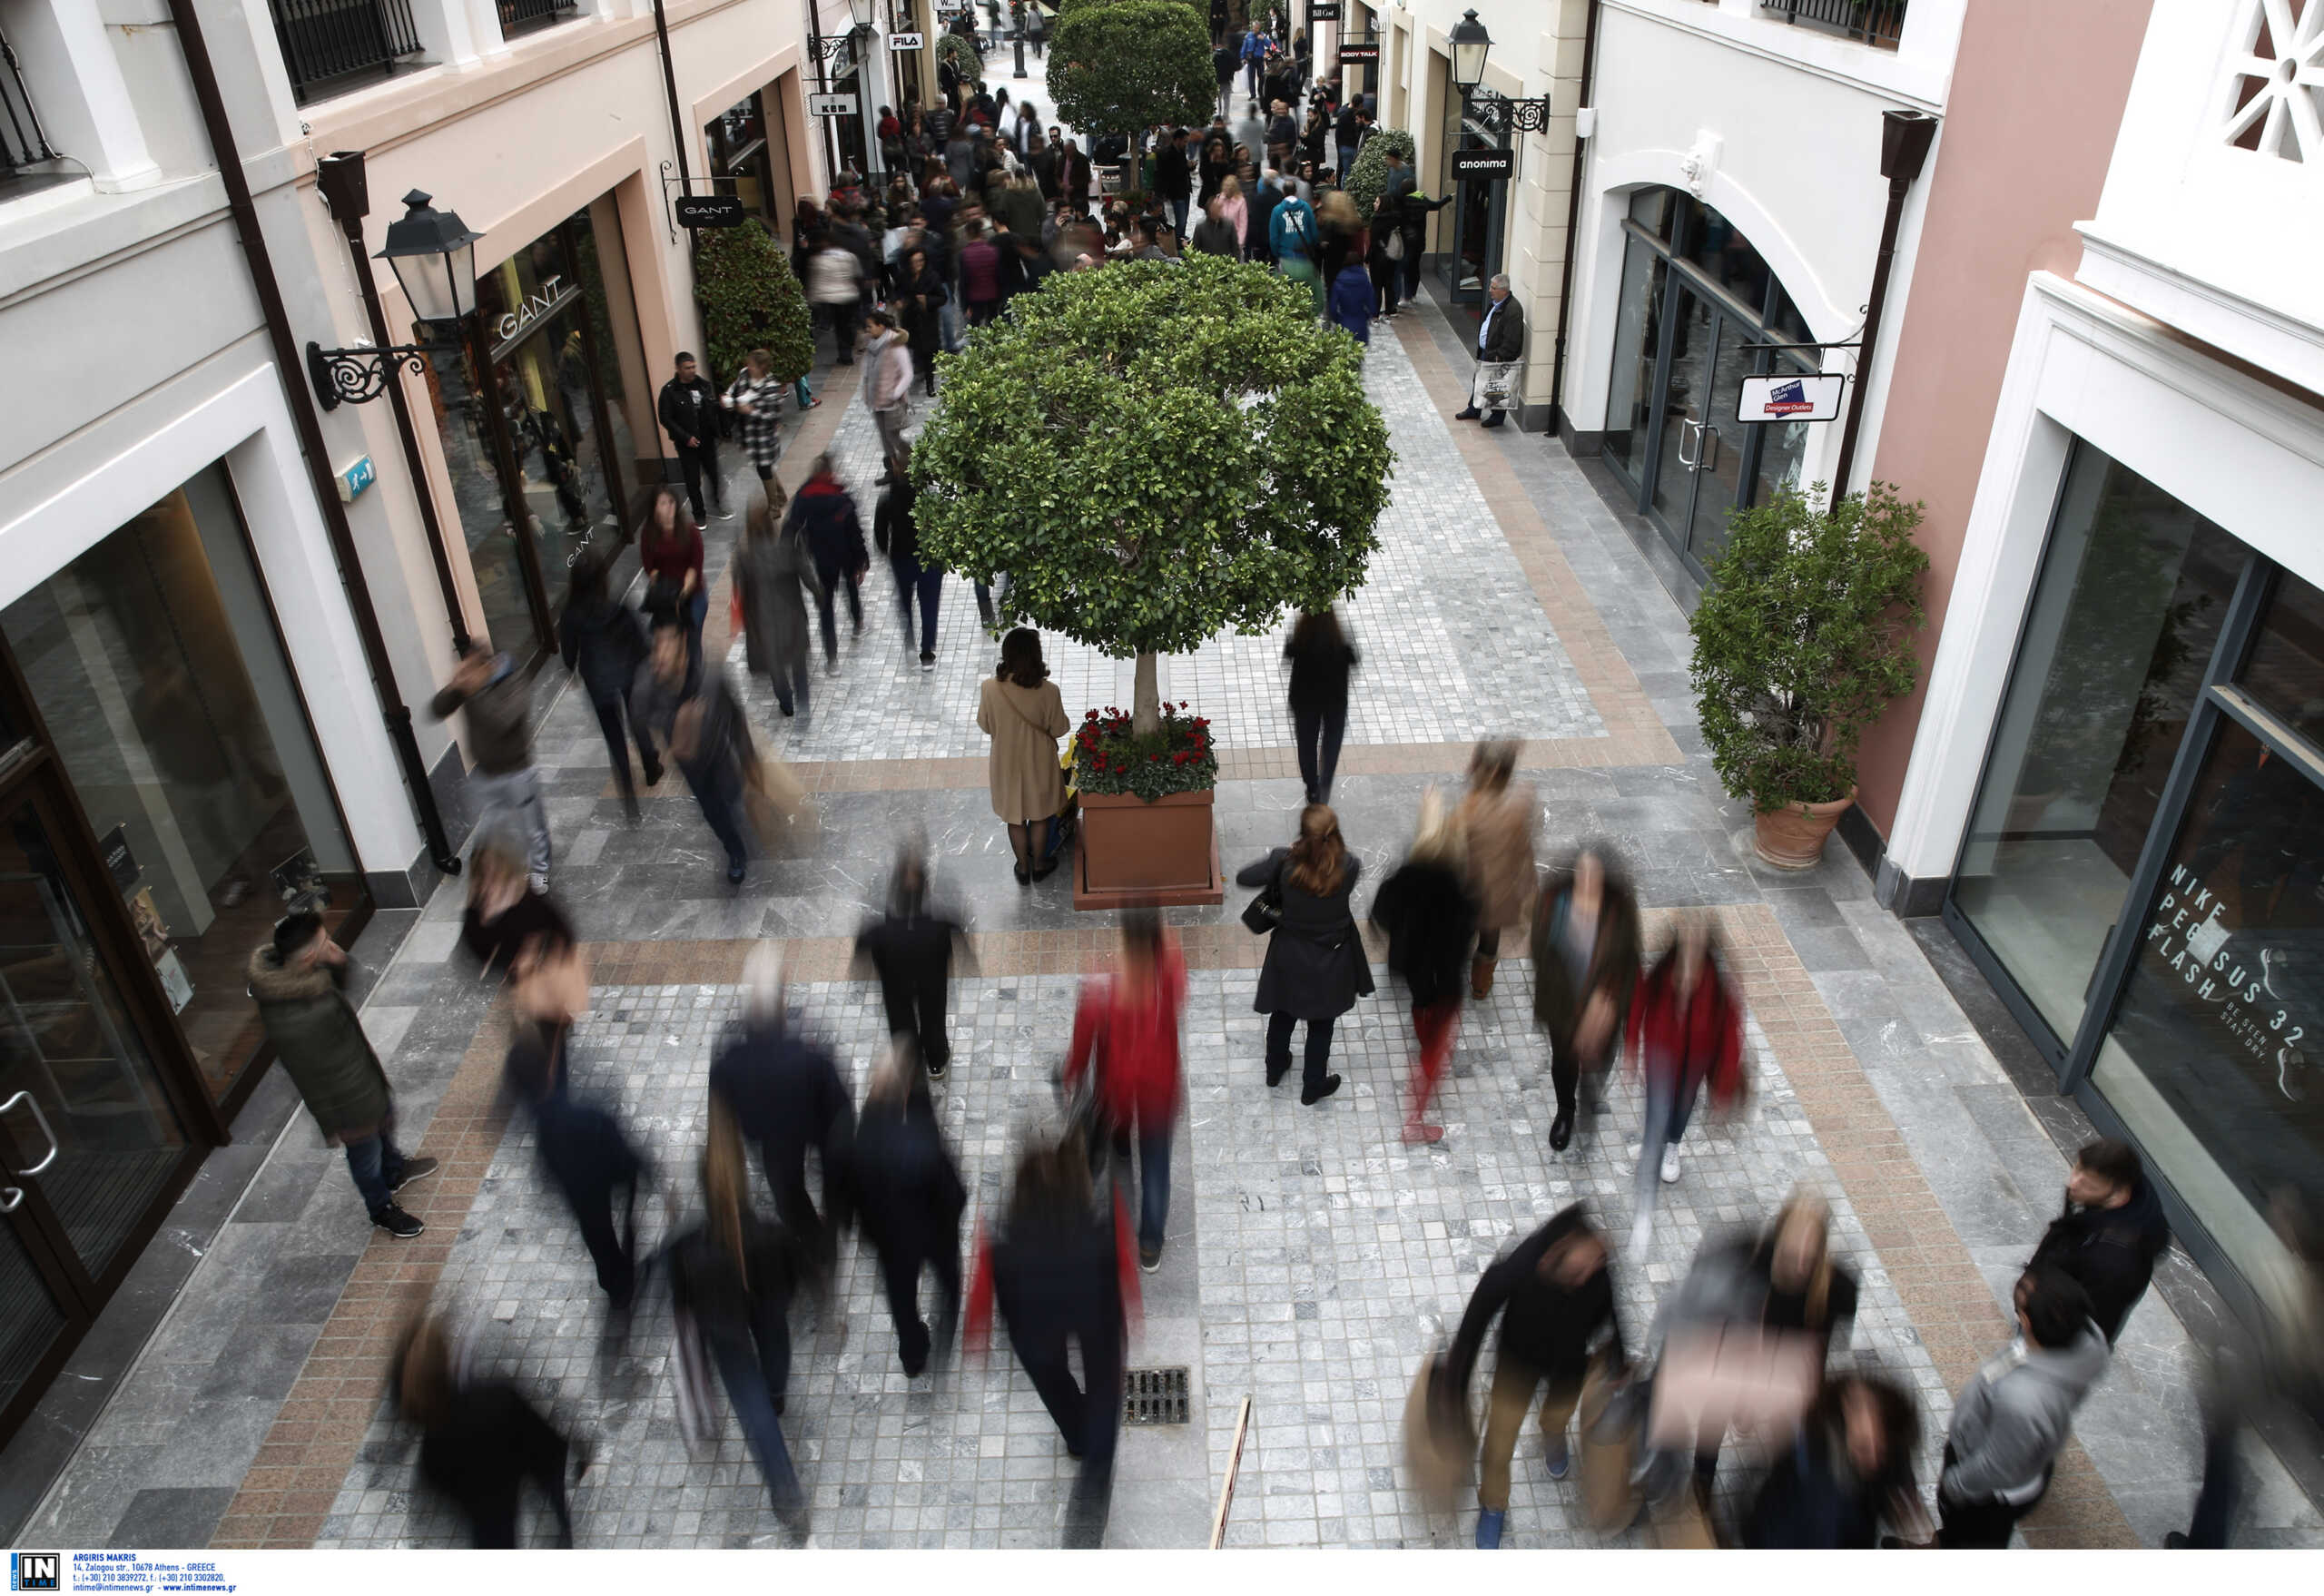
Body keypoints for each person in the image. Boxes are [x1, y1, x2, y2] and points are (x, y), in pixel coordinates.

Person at [965, 1135, 1134, 1542]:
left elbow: (981, 1302)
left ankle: (1076, 1435)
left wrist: (979, 1340)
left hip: (1033, 1325)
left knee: (1052, 1379)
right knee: (1104, 1390)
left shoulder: (1003, 1249)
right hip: (1094, 1314)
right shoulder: (1100, 1235)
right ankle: (1094, 1472)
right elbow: (1125, 1279)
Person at [1438, 1206, 1625, 1549]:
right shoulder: (1521, 1268)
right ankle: (1493, 1505)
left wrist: (1618, 1358)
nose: (1591, 1273)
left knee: (1558, 1415)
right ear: (1554, 1258)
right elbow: (1474, 1324)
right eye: (1583, 1269)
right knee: (1498, 1444)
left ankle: (1552, 1434)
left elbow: (1611, 1308)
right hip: (1517, 1363)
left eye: (1596, 1266)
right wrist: (1455, 1384)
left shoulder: (1595, 1266)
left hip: (1568, 1365)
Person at [668, 1089, 811, 1534]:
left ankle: (788, 1496)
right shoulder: (770, 1232)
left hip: (722, 1321)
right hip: (766, 1300)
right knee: (775, 1345)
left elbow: (679, 1299)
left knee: (749, 1405)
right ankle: (778, 1391)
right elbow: (798, 1275)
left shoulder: (688, 1247)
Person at [249, 912, 435, 1237]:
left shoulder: (308, 977)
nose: (334, 946)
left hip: (361, 1077)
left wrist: (336, 960)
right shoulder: (294, 1017)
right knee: (365, 1157)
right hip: (347, 1101)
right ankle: (381, 1209)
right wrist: (331, 1123)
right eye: (326, 943)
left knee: (386, 1123)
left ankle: (395, 1171)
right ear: (308, 956)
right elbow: (305, 1077)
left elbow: (341, 984)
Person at [2168, 1187, 2324, 1548]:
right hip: (2286, 1384)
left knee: (2221, 1470)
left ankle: (2204, 1546)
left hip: (2253, 1383)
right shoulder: (2297, 1280)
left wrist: (2220, 1380)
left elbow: (2252, 1350)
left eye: (2285, 1218)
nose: (2277, 1221)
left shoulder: (2282, 1283)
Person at [709, 945, 857, 1279]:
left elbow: (722, 1109)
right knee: (833, 1184)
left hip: (772, 1137)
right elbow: (839, 1098)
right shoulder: (810, 1047)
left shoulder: (728, 1056)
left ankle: (814, 1243)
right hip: (818, 1126)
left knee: (788, 1193)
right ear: (781, 998)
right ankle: (832, 1231)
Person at [1935, 1268, 2110, 1547]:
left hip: (1986, 1489)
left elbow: (1996, 1465)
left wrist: (1955, 1484)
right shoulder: (2085, 1338)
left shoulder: (2022, 1400)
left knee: (1970, 1539)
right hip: (2009, 1455)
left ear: (2025, 1321)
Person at [1063, 908, 1189, 1271]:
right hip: (1158, 1084)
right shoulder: (1167, 976)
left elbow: (1083, 1040)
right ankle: (1149, 1243)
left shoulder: (1102, 984)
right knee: (1156, 1163)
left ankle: (1119, 1144)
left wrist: (1072, 1074)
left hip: (1115, 1081)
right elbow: (1179, 985)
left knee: (1117, 1115)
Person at [393, 1315, 579, 1547]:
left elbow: (446, 1490)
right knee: (551, 1485)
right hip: (523, 1466)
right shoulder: (494, 1397)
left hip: (489, 1512)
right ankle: (562, 1522)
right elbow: (541, 1437)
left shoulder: (432, 1449)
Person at [1624, 916, 1746, 1252]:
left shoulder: (1718, 984)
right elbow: (1638, 1005)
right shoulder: (1662, 971)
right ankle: (1644, 1213)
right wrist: (1632, 1048)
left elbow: (1731, 1037)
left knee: (1681, 1111)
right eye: (1686, 938)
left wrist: (1723, 1088)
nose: (1691, 944)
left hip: (1696, 1062)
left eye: (1697, 939)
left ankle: (1674, 1143)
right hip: (1662, 1056)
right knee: (1654, 1129)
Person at [1236, 803, 1373, 1106]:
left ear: (1302, 832)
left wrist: (1280, 856)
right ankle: (1313, 1085)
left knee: (1283, 1012)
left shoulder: (1284, 864)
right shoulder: (1349, 866)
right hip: (1332, 956)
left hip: (1289, 951)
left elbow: (1244, 878)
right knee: (1322, 1023)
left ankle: (1274, 1068)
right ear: (1334, 832)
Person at [506, 1026, 648, 1310]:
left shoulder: (543, 1130)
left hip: (580, 1192)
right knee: (622, 1219)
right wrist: (639, 1167)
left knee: (598, 1235)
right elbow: (616, 1144)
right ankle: (627, 1272)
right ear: (548, 1073)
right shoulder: (585, 1116)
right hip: (608, 1173)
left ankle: (616, 1285)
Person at [851, 1039, 969, 1376]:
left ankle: (913, 1354)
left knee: (901, 1298)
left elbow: (854, 1197)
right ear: (905, 1090)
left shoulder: (862, 1139)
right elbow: (954, 1191)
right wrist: (950, 1221)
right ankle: (947, 1330)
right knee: (948, 1280)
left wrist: (873, 1236)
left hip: (891, 1242)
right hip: (934, 1234)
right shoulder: (922, 1136)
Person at [1370, 789, 1478, 1144]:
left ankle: (1423, 1038)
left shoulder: (1404, 876)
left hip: (1412, 964)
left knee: (1420, 1002)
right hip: (1445, 973)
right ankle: (1414, 1121)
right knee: (1435, 1051)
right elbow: (1467, 933)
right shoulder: (1460, 887)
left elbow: (1380, 915)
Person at [1529, 844, 1642, 1151]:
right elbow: (1539, 952)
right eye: (1583, 872)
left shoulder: (1618, 909)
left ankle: (1589, 1104)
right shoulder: (1554, 902)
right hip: (1562, 1004)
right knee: (1564, 1064)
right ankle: (1566, 1111)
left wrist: (1607, 1000)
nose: (1588, 879)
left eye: (1596, 873)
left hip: (1603, 1010)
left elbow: (1630, 962)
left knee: (1597, 1063)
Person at [630, 613, 754, 885]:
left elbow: (734, 715)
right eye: (657, 644)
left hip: (719, 752)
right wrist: (675, 721)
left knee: (733, 798)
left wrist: (748, 756)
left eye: (667, 642)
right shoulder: (647, 684)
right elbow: (639, 716)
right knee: (712, 811)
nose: (661, 652)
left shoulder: (710, 675)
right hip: (691, 766)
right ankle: (735, 851)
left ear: (683, 642)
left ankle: (737, 819)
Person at [1743, 1374, 1925, 1549]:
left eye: (1882, 1451)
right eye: (1865, 1446)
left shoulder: (1893, 1438)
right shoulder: (1812, 1462)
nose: (1874, 1459)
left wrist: (1901, 1503)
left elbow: (1897, 1476)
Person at [2023, 1137, 2171, 1345]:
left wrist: (2043, 1324)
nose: (2072, 1183)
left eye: (2088, 1183)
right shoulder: (2117, 1187)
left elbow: (2094, 1319)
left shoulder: (2115, 1261)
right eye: (2077, 1169)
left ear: (2119, 1194)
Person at [429, 636, 549, 892]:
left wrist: (476, 690)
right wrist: (454, 686)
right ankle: (500, 874)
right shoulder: (469, 686)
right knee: (490, 829)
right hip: (484, 773)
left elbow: (503, 722)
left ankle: (540, 872)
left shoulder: (515, 679)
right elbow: (437, 710)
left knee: (532, 830)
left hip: (518, 771)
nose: (468, 674)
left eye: (473, 667)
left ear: (489, 665)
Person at [853, 845, 970, 1080]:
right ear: (926, 889)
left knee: (900, 1020)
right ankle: (936, 1061)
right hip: (932, 984)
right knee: (933, 1019)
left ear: (894, 890)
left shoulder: (880, 932)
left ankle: (907, 1062)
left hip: (896, 984)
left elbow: (862, 948)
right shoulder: (939, 927)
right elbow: (959, 935)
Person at [558, 555, 659, 823]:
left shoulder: (570, 615)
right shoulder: (616, 608)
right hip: (626, 675)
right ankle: (651, 766)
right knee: (639, 722)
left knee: (613, 736)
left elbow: (568, 654)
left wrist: (572, 669)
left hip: (597, 681)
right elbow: (641, 642)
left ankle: (627, 789)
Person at [976, 627, 1071, 884]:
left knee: (1014, 817)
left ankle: (1022, 866)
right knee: (1040, 815)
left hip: (1006, 763)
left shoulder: (990, 689)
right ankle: (1040, 864)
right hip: (1039, 762)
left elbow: (985, 725)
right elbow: (1060, 728)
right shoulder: (1048, 691)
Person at [1456, 739, 1536, 1003]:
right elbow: (1524, 852)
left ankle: (1454, 971)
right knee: (1490, 938)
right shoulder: (1519, 807)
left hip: (1468, 890)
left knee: (1462, 931)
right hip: (1501, 893)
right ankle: (1481, 984)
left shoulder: (1470, 809)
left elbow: (1454, 851)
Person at [734, 486, 817, 726]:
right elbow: (807, 576)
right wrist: (819, 595)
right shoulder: (786, 549)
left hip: (764, 620)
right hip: (792, 616)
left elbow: (742, 592)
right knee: (798, 662)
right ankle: (803, 706)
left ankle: (785, 699)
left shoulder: (745, 558)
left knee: (776, 665)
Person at [783, 453, 869, 671]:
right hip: (846, 557)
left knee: (825, 606)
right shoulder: (841, 498)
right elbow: (855, 533)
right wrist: (862, 561)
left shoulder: (803, 497)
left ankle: (832, 659)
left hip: (821, 560)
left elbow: (791, 526)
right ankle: (857, 622)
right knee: (851, 589)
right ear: (830, 473)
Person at [457, 827, 575, 982]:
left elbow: (557, 933)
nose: (491, 889)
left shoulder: (531, 908)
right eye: (484, 882)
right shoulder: (476, 915)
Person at [873, 447, 942, 669]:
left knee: (905, 602)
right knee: (929, 604)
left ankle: (910, 642)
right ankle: (927, 652)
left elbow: (880, 534)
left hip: (901, 557)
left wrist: (886, 551)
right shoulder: (930, 497)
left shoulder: (887, 500)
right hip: (929, 558)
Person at [1283, 607, 1355, 803]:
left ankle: (1312, 786)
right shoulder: (1340, 642)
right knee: (1332, 742)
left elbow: (1288, 654)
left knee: (1306, 743)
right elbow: (1353, 660)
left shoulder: (1300, 640)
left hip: (1304, 700)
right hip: (1335, 701)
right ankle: (1325, 785)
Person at [636, 484, 707, 667]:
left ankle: (694, 678)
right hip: (667, 597)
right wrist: (658, 581)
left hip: (693, 596)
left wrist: (684, 591)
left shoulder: (689, 530)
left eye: (671, 502)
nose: (669, 507)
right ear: (654, 508)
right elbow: (648, 565)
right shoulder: (649, 534)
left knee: (692, 642)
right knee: (669, 645)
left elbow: (696, 565)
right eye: (663, 503)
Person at [657, 350, 728, 522]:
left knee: (714, 474)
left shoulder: (704, 385)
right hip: (686, 443)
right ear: (678, 369)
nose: (692, 371)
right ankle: (699, 514)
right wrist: (685, 437)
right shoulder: (669, 391)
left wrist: (720, 428)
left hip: (707, 440)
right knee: (692, 480)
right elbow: (666, 418)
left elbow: (712, 409)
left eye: (693, 367)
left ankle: (717, 506)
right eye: (687, 368)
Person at [1455, 272, 1526, 429]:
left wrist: (1500, 356)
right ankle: (1474, 410)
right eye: (1490, 287)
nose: (1490, 290)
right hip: (1487, 350)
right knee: (1479, 380)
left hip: (1497, 355)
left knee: (1498, 386)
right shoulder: (1495, 303)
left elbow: (1512, 339)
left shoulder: (1513, 310)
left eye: (1493, 288)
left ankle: (1497, 417)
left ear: (1504, 290)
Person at [720, 349, 789, 501]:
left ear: (762, 367)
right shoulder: (744, 374)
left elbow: (773, 416)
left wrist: (751, 411)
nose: (749, 367)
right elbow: (733, 389)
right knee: (764, 467)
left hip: (764, 436)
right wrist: (728, 397)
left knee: (763, 467)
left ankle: (774, 505)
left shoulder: (771, 386)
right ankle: (781, 496)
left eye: (753, 365)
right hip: (748, 434)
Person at [862, 306, 917, 464]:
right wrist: (866, 392)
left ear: (881, 326)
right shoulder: (871, 345)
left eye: (870, 326)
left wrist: (894, 393)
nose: (868, 330)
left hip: (892, 403)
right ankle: (892, 470)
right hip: (876, 400)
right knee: (884, 437)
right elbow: (866, 370)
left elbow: (908, 373)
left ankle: (913, 459)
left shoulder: (895, 344)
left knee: (892, 436)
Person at [806, 232, 863, 366]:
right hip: (850, 295)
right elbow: (857, 274)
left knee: (839, 326)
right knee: (848, 323)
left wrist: (812, 299)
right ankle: (849, 346)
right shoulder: (850, 256)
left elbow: (816, 281)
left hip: (830, 298)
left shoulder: (818, 260)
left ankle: (845, 355)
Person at [898, 245, 947, 396]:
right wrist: (899, 301)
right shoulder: (904, 276)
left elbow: (942, 297)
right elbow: (896, 292)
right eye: (914, 261)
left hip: (927, 321)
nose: (917, 264)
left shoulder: (932, 276)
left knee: (928, 352)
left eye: (920, 261)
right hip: (910, 319)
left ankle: (929, 384)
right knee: (911, 350)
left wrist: (927, 301)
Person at [1270, 178, 1323, 316]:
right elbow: (1314, 234)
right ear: (1296, 191)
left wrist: (1278, 254)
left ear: (1283, 192)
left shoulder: (1277, 211)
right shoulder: (1306, 208)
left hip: (1286, 260)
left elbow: (1274, 239)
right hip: (1305, 260)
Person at [1155, 126, 1195, 241]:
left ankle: (1181, 238)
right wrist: (1186, 166)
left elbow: (1183, 169)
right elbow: (1171, 173)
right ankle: (1176, 241)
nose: (1186, 144)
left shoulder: (1181, 151)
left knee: (1184, 219)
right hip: (1176, 192)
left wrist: (1189, 167)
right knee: (1180, 220)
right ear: (1177, 140)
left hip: (1185, 189)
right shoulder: (1167, 153)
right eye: (1184, 141)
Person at [1328, 255, 1373, 345]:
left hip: (1344, 323)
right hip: (1360, 324)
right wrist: (1365, 316)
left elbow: (1332, 307)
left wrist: (1338, 320)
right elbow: (1372, 306)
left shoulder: (1339, 282)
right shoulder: (1365, 282)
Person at [1190, 193, 1242, 258]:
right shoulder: (1200, 226)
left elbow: (1235, 249)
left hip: (1225, 264)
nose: (1221, 210)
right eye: (1218, 208)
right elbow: (1195, 249)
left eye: (1221, 207)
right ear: (1210, 209)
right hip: (1207, 264)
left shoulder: (1229, 224)